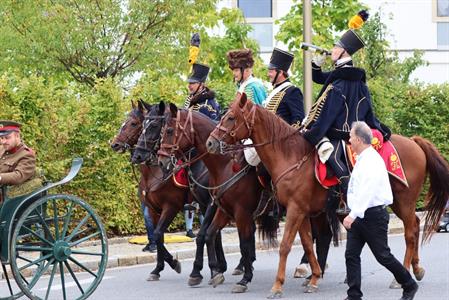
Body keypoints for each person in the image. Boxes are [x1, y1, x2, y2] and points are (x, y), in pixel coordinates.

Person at [302, 28, 391, 208]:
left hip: (340, 135)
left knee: (329, 154)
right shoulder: (345, 77)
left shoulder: (340, 83)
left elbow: (327, 116)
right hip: (351, 131)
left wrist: (311, 133)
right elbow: (320, 78)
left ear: (344, 52)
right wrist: (315, 64)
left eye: (336, 48)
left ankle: (347, 194)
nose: (332, 50)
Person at [343, 121, 418, 300]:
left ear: (360, 139)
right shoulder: (363, 159)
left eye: (352, 136)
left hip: (372, 216)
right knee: (351, 255)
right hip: (361, 214)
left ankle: (409, 284)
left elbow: (367, 191)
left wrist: (352, 215)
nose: (349, 140)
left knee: (383, 256)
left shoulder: (371, 161)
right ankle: (354, 295)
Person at [183, 62, 220, 238]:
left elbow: (212, 127)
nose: (190, 85)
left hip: (204, 149)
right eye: (189, 82)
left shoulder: (209, 104)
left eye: (193, 82)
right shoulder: (189, 100)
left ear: (201, 84)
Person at [264, 47, 305, 127]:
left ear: (280, 73)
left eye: (271, 71)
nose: (268, 74)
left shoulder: (292, 91)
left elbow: (298, 120)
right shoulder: (275, 91)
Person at [0, 120, 36, 202]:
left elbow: (19, 175)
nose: (3, 141)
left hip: (8, 196)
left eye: (7, 138)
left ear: (17, 136)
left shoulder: (27, 155)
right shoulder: (2, 148)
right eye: (1, 138)